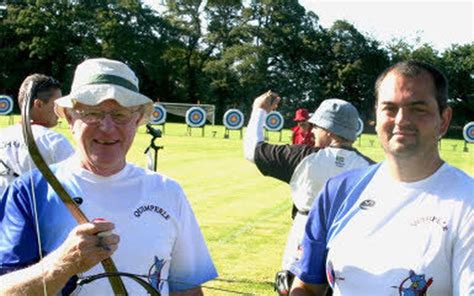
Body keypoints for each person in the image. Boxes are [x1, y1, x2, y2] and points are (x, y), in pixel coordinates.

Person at [0, 58, 217, 295]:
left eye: (120, 114)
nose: (107, 127)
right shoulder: (31, 191)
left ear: (137, 119)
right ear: (71, 118)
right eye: (92, 113)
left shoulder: (168, 192)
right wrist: (62, 264)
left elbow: (187, 290)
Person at [290, 61, 473, 296]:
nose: (401, 120)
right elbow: (306, 286)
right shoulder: (338, 192)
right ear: (376, 116)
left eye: (418, 108)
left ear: (444, 120)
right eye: (390, 108)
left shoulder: (468, 202)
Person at [243, 91, 374, 295]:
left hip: (303, 241)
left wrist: (259, 110)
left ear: (330, 130)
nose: (312, 131)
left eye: (317, 126)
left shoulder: (302, 157)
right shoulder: (371, 169)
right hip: (351, 246)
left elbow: (252, 150)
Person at [0, 74, 74, 194]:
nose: (60, 111)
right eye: (56, 105)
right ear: (39, 104)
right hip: (34, 212)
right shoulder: (54, 142)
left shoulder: (2, 135)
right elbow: (76, 186)